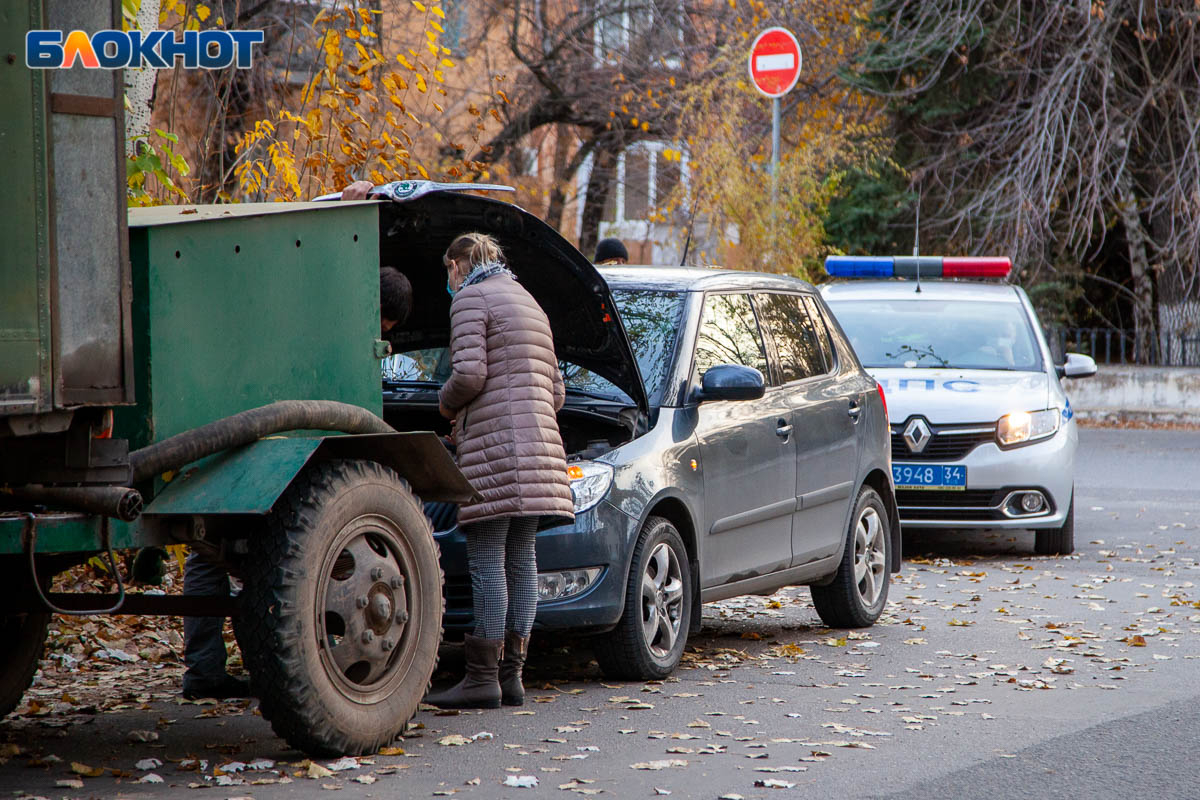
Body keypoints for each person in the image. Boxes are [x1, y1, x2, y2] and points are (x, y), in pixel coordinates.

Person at [181, 263, 412, 700]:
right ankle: (246, 670)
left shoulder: (304, 303)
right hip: (279, 446)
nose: (384, 335)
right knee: (252, 559)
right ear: (377, 310)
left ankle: (206, 669)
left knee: (211, 554)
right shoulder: (342, 335)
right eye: (384, 326)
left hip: (235, 429)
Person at [424, 232, 574, 709]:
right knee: (521, 557)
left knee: (488, 558)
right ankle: (512, 676)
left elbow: (469, 374)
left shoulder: (471, 298)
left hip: (496, 449)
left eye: (447, 271)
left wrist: (445, 408)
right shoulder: (528, 302)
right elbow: (557, 393)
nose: (448, 280)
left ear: (457, 265)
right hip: (539, 449)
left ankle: (481, 678)